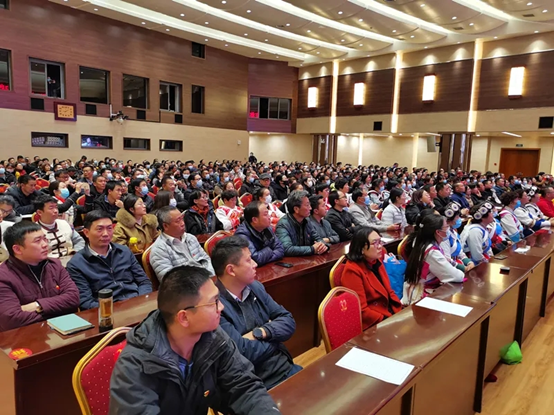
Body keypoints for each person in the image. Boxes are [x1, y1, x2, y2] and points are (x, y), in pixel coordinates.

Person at [109, 265, 280, 415]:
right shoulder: (135, 365)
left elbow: (244, 387)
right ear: (184, 317)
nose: (221, 307)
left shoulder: (213, 337)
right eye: (214, 302)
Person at [211, 237, 301, 389]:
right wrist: (275, 339)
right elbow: (241, 353)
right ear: (231, 270)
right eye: (248, 260)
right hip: (252, 385)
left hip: (284, 367)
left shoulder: (255, 287)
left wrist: (261, 332)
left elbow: (288, 320)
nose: (255, 264)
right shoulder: (215, 306)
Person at [0, 222, 79, 331]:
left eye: (45, 239)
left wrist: (37, 305)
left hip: (64, 329)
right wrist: (58, 310)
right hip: (27, 335)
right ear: (17, 249)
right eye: (37, 241)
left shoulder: (54, 265)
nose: (45, 244)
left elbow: (74, 298)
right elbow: (11, 319)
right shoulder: (3, 276)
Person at [66, 210, 152, 310]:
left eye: (109, 228)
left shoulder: (124, 251)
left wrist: (140, 300)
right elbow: (86, 301)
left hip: (136, 303)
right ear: (86, 232)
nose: (106, 234)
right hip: (107, 310)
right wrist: (112, 309)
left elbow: (144, 282)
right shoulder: (77, 264)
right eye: (100, 229)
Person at [341, 227, 402, 329]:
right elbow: (361, 310)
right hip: (373, 323)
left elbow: (389, 292)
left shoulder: (376, 261)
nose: (380, 246)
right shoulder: (352, 271)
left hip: (389, 313)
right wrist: (387, 320)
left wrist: (400, 312)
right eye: (375, 243)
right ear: (361, 249)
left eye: (380, 241)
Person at [404, 213, 466, 299]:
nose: (449, 230)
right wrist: (462, 271)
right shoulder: (432, 252)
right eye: (446, 227)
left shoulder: (423, 243)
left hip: (423, 288)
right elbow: (456, 277)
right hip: (421, 294)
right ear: (438, 232)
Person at [150, 206, 215, 280]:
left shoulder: (190, 238)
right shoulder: (159, 249)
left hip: (206, 278)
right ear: (165, 226)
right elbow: (169, 280)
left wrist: (211, 276)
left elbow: (206, 260)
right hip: (188, 284)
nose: (183, 223)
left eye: (182, 219)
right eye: (178, 221)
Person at [275, 191, 328, 257]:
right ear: (296, 209)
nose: (310, 208)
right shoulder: (283, 225)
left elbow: (317, 238)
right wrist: (312, 249)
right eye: (307, 205)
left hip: (306, 259)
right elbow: (287, 249)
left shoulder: (307, 220)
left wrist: (323, 246)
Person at [235, 201, 284, 266]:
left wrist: (264, 259)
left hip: (267, 267)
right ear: (255, 220)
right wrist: (269, 249)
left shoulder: (267, 227)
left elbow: (280, 250)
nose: (269, 217)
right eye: (266, 214)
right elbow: (255, 259)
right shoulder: (242, 234)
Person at [439, 202, 474, 272]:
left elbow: (460, 252)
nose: (459, 219)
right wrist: (463, 268)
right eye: (457, 217)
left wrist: (469, 262)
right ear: (449, 220)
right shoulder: (444, 236)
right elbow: (446, 260)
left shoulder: (453, 232)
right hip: (449, 269)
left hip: (457, 263)